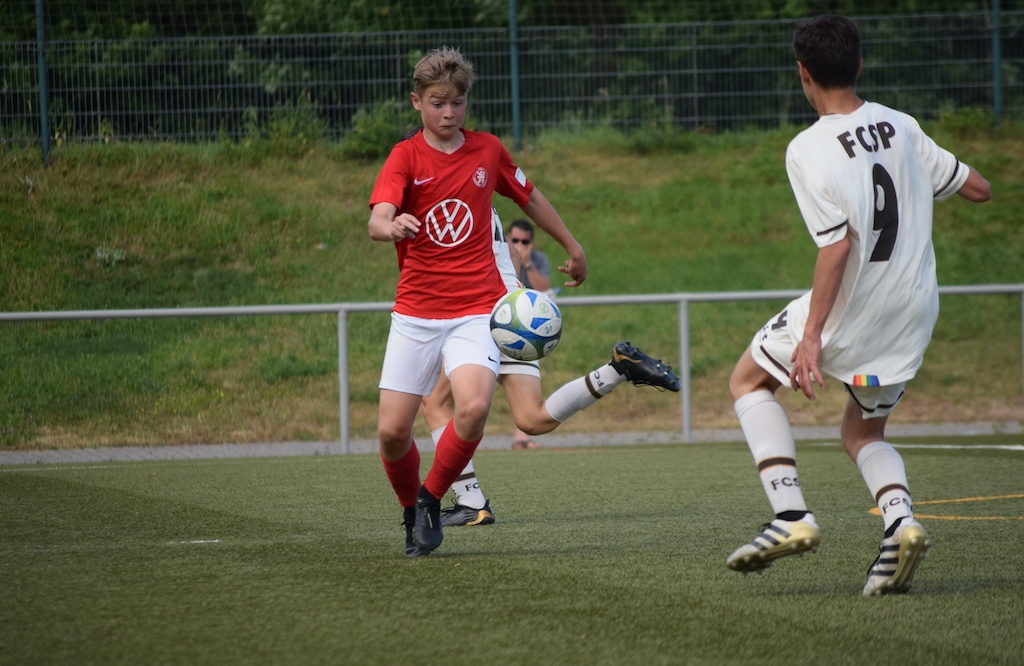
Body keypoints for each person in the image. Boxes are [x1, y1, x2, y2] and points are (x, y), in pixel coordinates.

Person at [724, 14, 991, 596]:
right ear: (860, 65)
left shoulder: (807, 148)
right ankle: (900, 523)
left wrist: (811, 337)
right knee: (863, 433)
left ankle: (790, 515)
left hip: (854, 308)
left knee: (747, 382)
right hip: (912, 313)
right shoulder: (902, 125)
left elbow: (837, 245)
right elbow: (979, 188)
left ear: (803, 73)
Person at [367, 46, 587, 557]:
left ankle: (431, 500)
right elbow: (378, 217)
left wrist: (573, 246)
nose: (449, 113)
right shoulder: (405, 156)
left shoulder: (487, 150)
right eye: (438, 103)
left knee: (473, 407)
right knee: (393, 432)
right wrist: (390, 225)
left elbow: (530, 197)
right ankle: (410, 509)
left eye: (457, 102)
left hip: (477, 310)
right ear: (417, 102)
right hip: (416, 312)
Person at [421, 208, 682, 527]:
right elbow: (513, 253)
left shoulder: (448, 200)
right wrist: (511, 291)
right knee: (532, 418)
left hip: (477, 312)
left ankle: (470, 502)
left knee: (434, 401)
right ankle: (616, 370)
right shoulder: (482, 201)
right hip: (515, 308)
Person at [505, 218, 551, 449]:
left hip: (527, 329)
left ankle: (521, 437)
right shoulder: (498, 254)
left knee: (525, 385)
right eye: (515, 240)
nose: (519, 245)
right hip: (498, 322)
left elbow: (543, 289)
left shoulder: (538, 259)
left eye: (524, 242)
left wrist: (527, 263)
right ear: (506, 239)